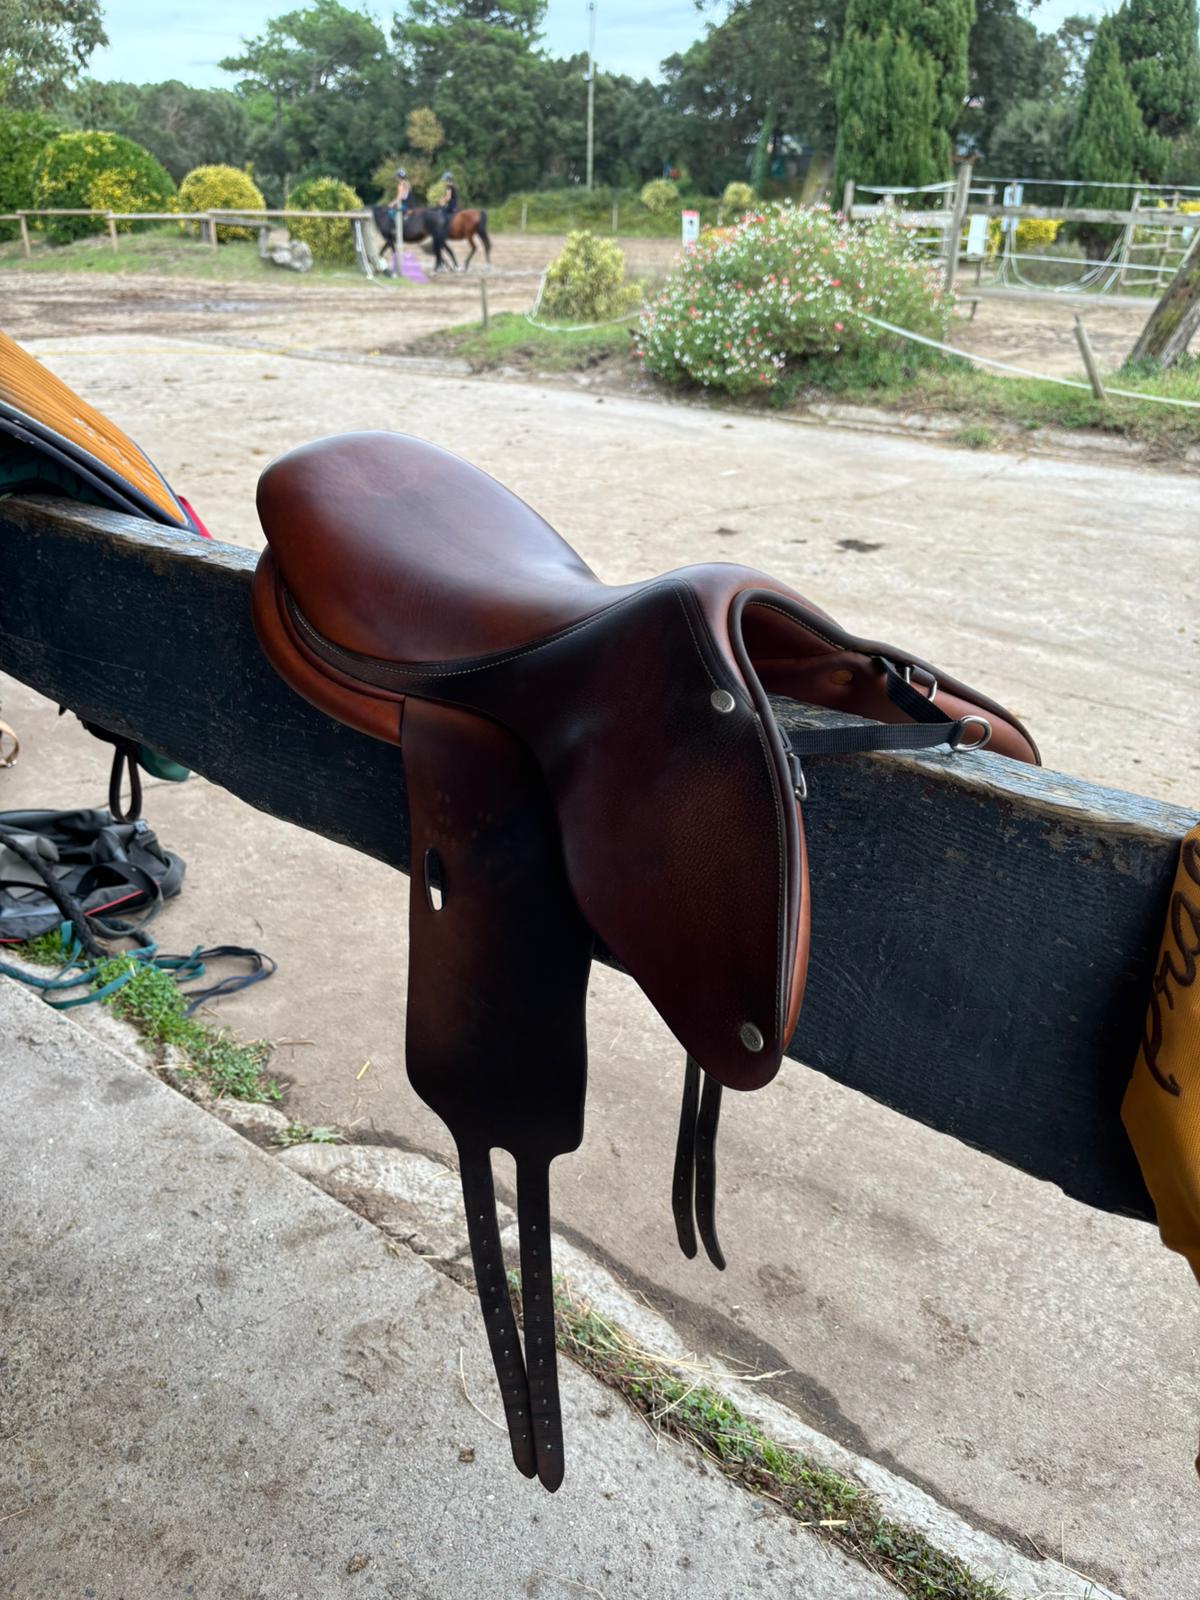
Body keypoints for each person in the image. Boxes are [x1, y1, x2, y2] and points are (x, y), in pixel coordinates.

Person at [387, 167, 411, 275]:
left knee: (390, 212)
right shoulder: (407, 183)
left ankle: (394, 228)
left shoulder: (401, 184)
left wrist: (392, 203)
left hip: (403, 205)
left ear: (399, 177)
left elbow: (400, 197)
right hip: (407, 203)